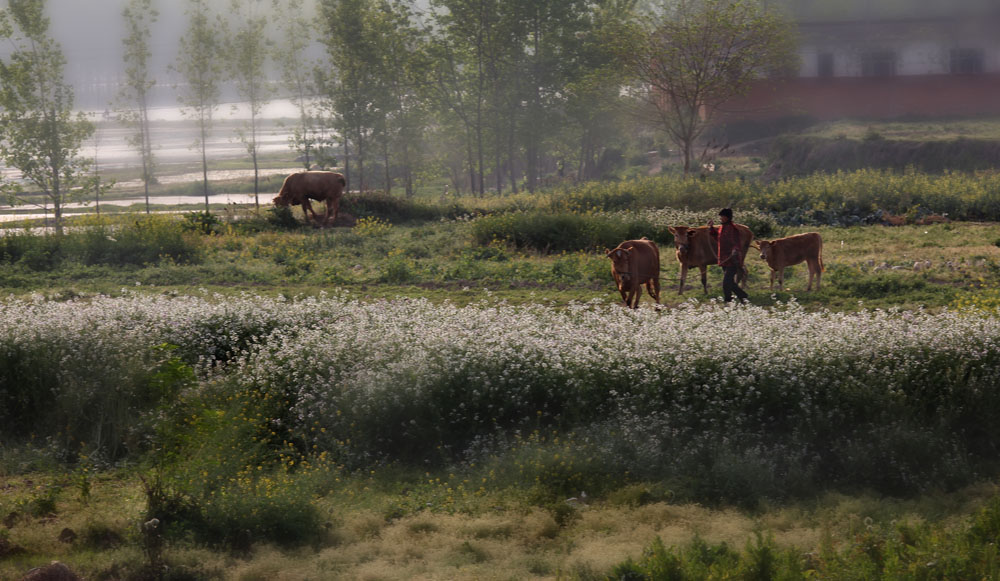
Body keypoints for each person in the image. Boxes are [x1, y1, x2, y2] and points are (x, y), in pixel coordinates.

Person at [707, 208, 749, 304]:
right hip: (724, 259)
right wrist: (711, 228)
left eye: (722, 216)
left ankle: (728, 301)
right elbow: (718, 239)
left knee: (726, 283)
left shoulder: (733, 229)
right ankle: (743, 296)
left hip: (732, 259)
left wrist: (735, 249)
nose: (721, 218)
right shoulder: (722, 228)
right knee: (731, 282)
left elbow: (736, 242)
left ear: (727, 217)